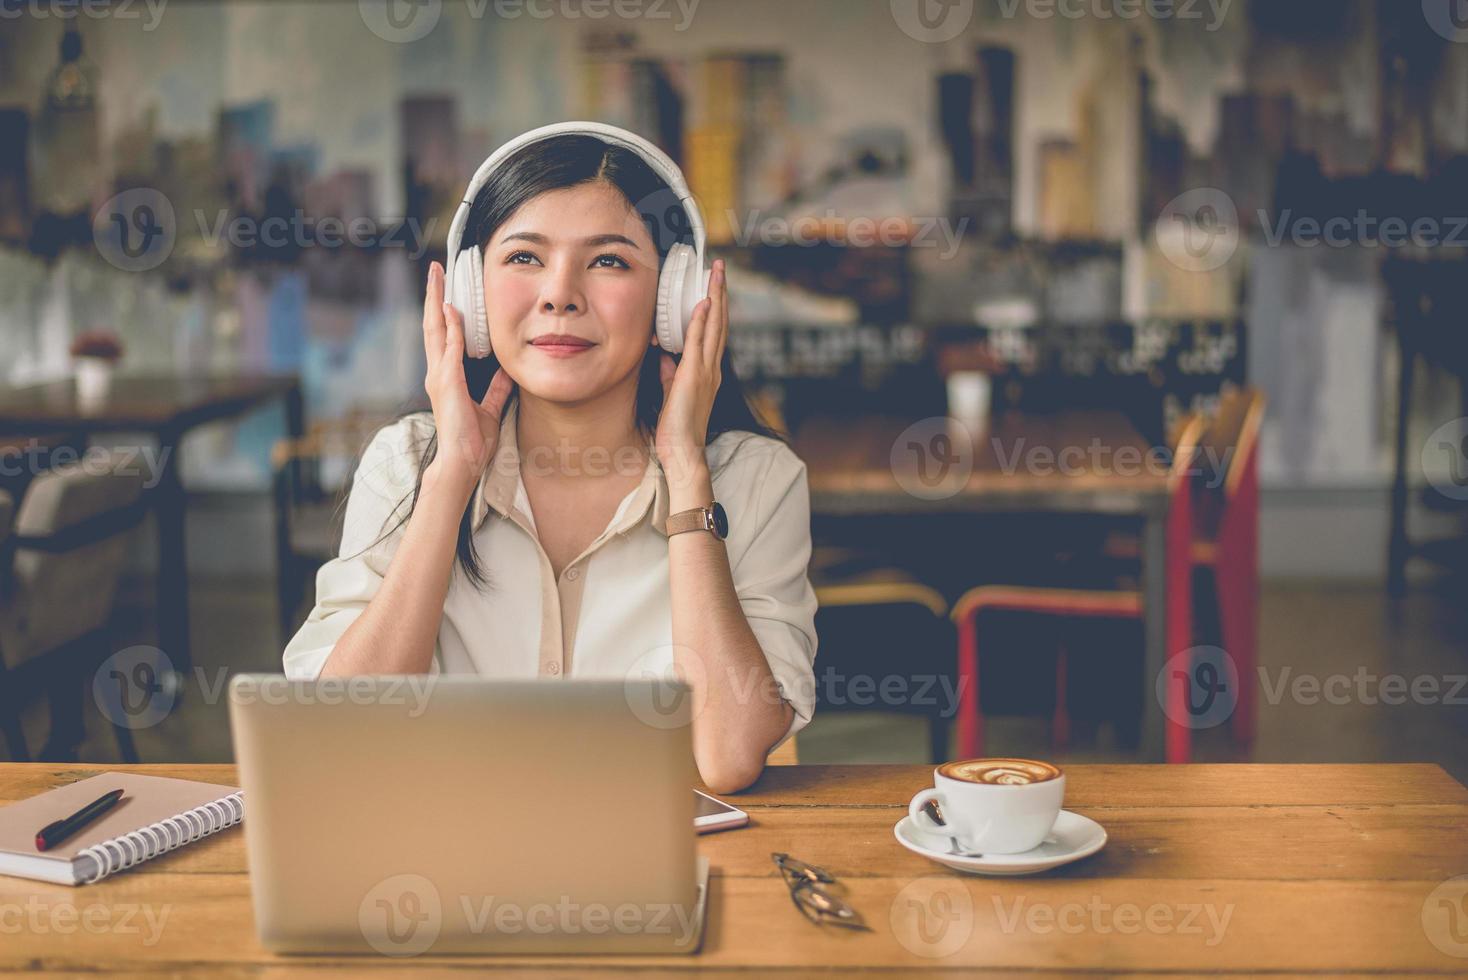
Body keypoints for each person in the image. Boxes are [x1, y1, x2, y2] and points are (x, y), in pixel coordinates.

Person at [282, 126, 818, 793]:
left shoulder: (754, 480)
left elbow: (728, 755)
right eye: (525, 257)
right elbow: (345, 735)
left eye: (609, 261)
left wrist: (686, 475)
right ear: (473, 297)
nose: (559, 294)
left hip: (661, 877)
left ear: (674, 301)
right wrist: (451, 477)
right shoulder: (406, 464)